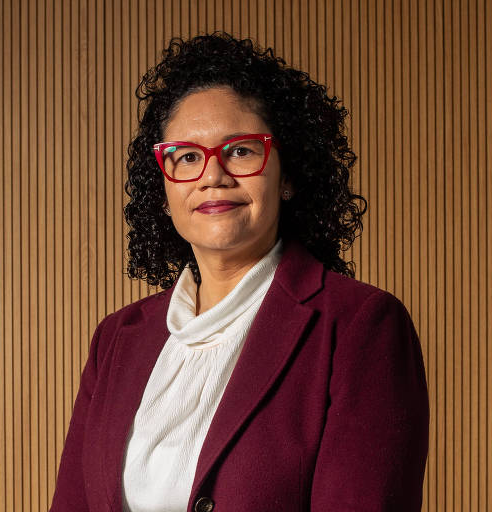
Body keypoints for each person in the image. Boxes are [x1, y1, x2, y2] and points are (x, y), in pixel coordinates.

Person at [50, 32, 429, 512]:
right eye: (186, 156)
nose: (212, 174)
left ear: (287, 174)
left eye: (242, 151)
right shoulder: (116, 338)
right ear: (163, 188)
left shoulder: (360, 327)